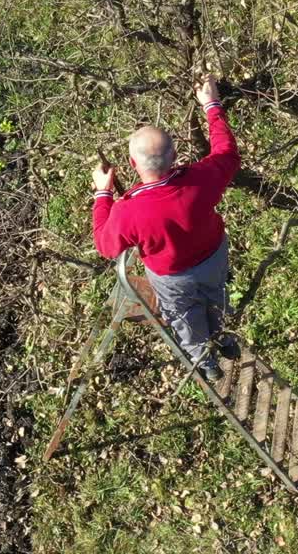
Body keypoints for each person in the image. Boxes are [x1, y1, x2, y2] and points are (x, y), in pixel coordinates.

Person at [91, 74, 240, 382]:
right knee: (218, 296)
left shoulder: (127, 212)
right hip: (213, 257)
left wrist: (103, 194)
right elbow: (226, 153)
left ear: (133, 164)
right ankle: (226, 340)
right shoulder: (200, 180)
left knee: (184, 317)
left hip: (172, 278)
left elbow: (105, 245)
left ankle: (205, 361)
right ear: (174, 156)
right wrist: (211, 104)